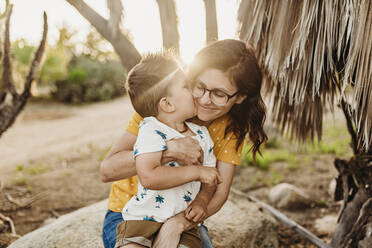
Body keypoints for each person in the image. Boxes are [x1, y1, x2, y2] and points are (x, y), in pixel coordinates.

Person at [101, 39, 268, 248]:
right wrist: (169, 151)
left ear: (240, 97)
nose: (205, 99)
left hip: (180, 214)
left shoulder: (228, 128)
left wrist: (178, 224)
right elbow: (106, 171)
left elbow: (219, 190)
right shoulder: (159, 110)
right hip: (130, 211)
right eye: (200, 86)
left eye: (219, 94)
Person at [115, 52, 221, 248]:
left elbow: (211, 179)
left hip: (183, 223)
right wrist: (196, 171)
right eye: (186, 86)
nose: (195, 92)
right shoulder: (151, 129)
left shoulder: (202, 134)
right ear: (168, 104)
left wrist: (202, 201)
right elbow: (149, 175)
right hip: (142, 219)